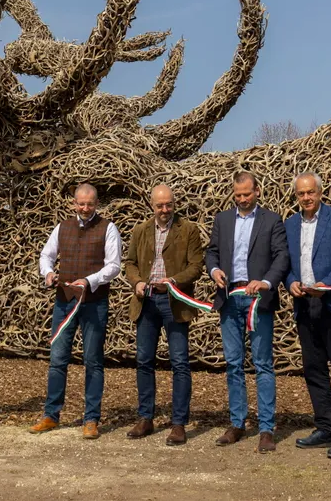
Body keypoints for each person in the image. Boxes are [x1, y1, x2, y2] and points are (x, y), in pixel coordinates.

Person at [29, 183, 122, 439]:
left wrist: (90, 281)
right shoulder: (62, 227)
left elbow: (114, 266)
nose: (85, 208)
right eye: (80, 203)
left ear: (96, 203)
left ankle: (91, 419)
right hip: (64, 301)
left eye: (89, 204)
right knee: (57, 360)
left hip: (93, 302)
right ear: (74, 203)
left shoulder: (108, 228)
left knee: (93, 361)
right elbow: (46, 255)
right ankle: (51, 415)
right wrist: (47, 273)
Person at [206, 170, 289, 453]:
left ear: (257, 192)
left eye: (246, 194)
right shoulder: (223, 219)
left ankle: (266, 428)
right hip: (229, 299)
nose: (242, 199)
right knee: (233, 363)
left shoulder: (272, 220)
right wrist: (214, 270)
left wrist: (265, 282)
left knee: (263, 364)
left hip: (258, 301)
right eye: (238, 195)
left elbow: (282, 257)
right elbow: (212, 252)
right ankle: (237, 423)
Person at [284, 172, 331, 459]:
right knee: (314, 371)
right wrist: (290, 280)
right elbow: (287, 263)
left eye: (311, 192)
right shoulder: (290, 225)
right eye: (301, 194)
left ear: (320, 192)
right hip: (305, 305)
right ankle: (325, 426)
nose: (306, 198)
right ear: (297, 196)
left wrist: (325, 286)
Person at [123, 184, 205, 445]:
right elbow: (131, 264)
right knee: (144, 360)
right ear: (152, 205)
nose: (165, 209)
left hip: (174, 303)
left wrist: (173, 281)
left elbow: (196, 266)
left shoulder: (188, 230)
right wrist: (136, 281)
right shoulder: (140, 230)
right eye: (160, 205)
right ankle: (145, 418)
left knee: (180, 362)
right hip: (145, 301)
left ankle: (179, 423)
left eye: (169, 204)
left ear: (174, 204)